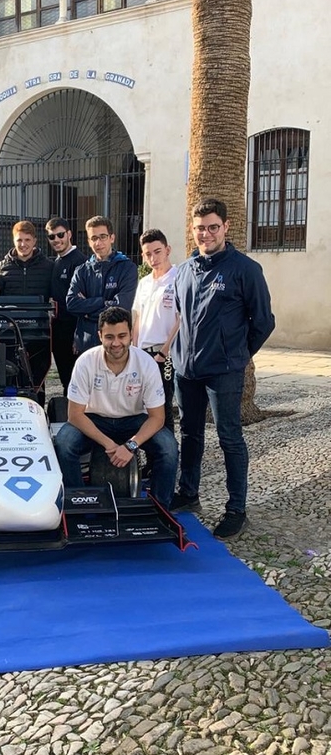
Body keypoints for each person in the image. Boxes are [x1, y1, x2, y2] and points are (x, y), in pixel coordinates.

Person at [171, 197, 275, 539]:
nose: (206, 234)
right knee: (190, 433)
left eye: (213, 227)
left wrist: (239, 355)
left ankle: (236, 509)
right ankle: (189, 493)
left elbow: (263, 322)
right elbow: (181, 319)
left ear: (226, 227)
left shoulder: (245, 269)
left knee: (229, 437)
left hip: (224, 371)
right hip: (187, 370)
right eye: (200, 228)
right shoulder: (185, 270)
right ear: (192, 229)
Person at [54, 307, 178, 513]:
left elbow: (157, 418)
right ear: (100, 335)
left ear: (131, 334)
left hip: (134, 419)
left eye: (122, 336)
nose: (116, 343)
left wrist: (130, 446)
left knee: (169, 448)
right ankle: (80, 503)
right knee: (63, 444)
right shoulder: (85, 362)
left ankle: (158, 509)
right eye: (109, 337)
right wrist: (110, 445)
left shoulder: (146, 363)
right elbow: (75, 415)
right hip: (94, 419)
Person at [0, 220, 54, 405]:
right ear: (13, 240)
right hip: (10, 334)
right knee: (11, 377)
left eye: (27, 239)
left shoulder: (48, 267)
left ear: (35, 241)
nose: (23, 244)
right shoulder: (2, 267)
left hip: (39, 334)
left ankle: (38, 414)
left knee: (37, 380)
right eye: (19, 240)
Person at [66, 215, 138, 354]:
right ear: (88, 241)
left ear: (112, 238)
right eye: (94, 238)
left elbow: (122, 306)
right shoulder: (81, 271)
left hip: (115, 346)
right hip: (86, 344)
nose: (98, 243)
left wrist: (86, 311)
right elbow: (71, 304)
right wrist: (103, 302)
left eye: (103, 237)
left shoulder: (127, 268)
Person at [132, 229, 179, 433]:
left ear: (167, 250)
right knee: (143, 407)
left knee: (163, 406)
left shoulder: (177, 278)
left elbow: (181, 320)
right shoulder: (144, 283)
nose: (153, 258)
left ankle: (167, 457)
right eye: (148, 254)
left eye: (157, 252)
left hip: (164, 354)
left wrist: (164, 352)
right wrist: (133, 351)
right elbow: (138, 319)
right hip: (143, 353)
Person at [46, 217, 86, 394]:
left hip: (73, 333)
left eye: (60, 235)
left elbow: (83, 302)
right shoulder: (55, 262)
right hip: (58, 331)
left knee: (76, 383)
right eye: (51, 236)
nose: (56, 240)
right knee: (66, 382)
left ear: (69, 234)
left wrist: (78, 335)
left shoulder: (80, 262)